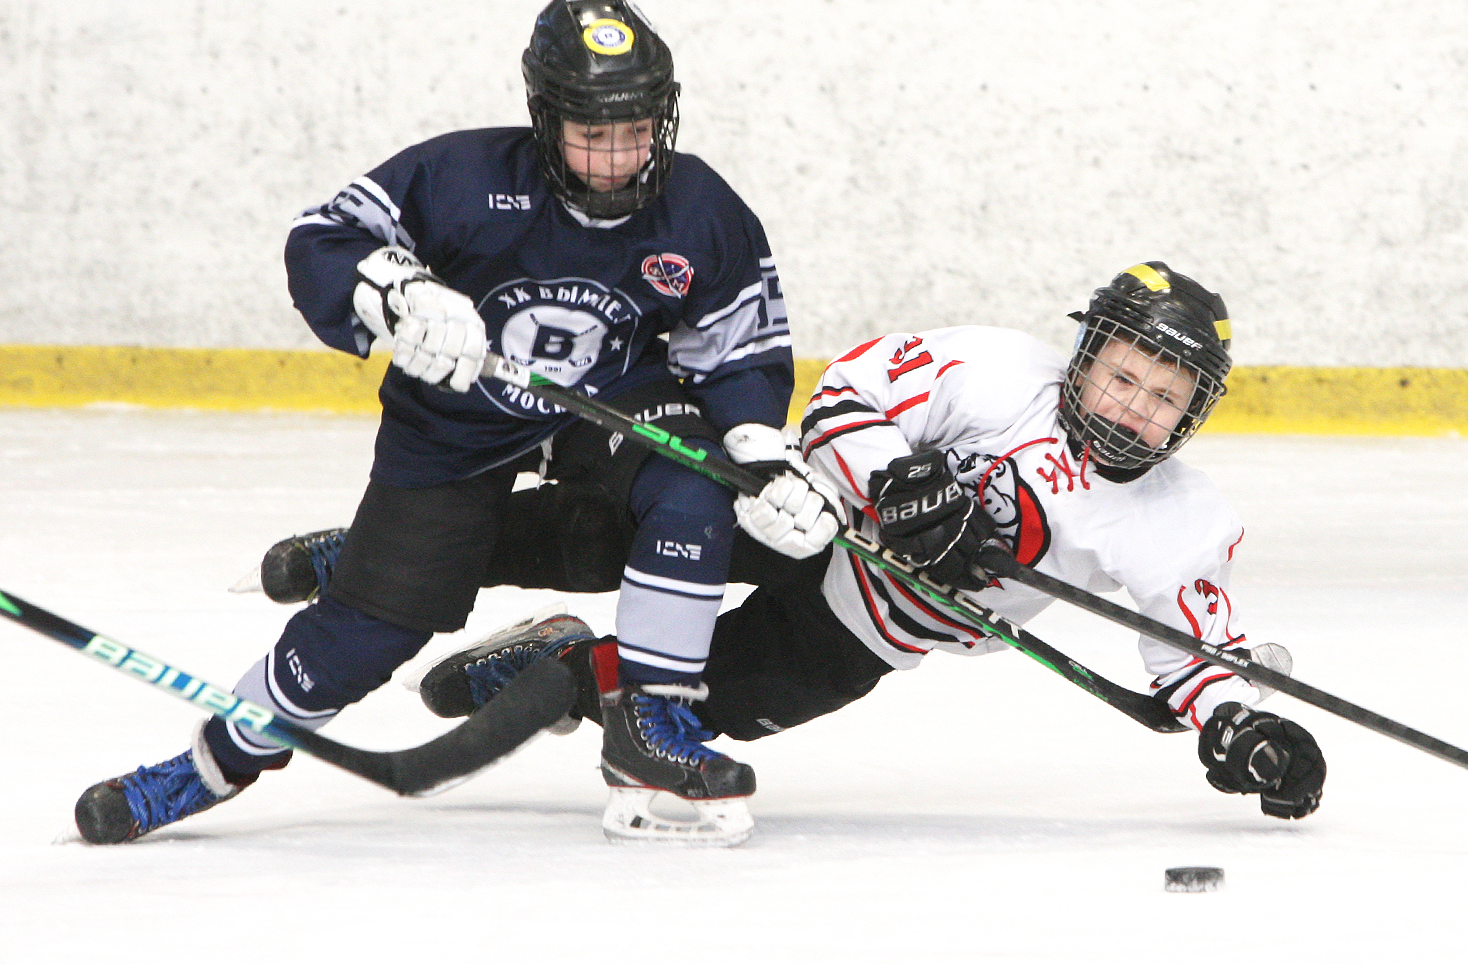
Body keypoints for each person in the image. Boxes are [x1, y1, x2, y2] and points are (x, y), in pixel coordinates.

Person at [72, 0, 840, 847]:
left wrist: (754, 446)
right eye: (594, 131)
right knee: (368, 632)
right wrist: (393, 289)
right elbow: (323, 236)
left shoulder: (698, 206)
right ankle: (210, 761)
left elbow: (738, 345)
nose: (621, 155)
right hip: (453, 424)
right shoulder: (464, 178)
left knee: (697, 490)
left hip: (610, 403)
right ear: (545, 120)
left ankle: (648, 727)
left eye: (638, 128)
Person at [407, 261, 1328, 832]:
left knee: (680, 707)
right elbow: (850, 394)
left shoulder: (1180, 519)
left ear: (1191, 418)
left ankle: (560, 660)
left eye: (1164, 399)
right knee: (613, 532)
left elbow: (1191, 656)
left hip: (869, 628)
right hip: (819, 514)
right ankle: (429, 548)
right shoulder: (998, 368)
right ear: (1086, 355)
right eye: (1124, 377)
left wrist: (1242, 725)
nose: (1135, 407)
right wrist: (895, 479)